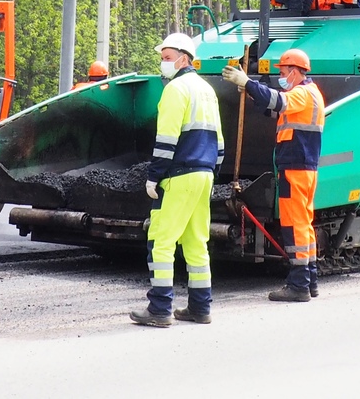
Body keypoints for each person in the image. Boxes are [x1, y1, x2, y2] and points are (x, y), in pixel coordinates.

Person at [130, 33, 224, 328]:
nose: (163, 63)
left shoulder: (175, 90)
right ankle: (200, 307)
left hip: (180, 174)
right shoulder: (207, 90)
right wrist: (211, 172)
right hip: (205, 174)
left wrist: (154, 176)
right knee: (196, 242)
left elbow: (166, 139)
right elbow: (219, 142)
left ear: (184, 58)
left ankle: (159, 309)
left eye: (167, 58)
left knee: (161, 241)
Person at [222, 47, 324, 302]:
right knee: (305, 223)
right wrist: (251, 91)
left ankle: (299, 284)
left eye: (284, 71)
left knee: (294, 224)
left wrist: (247, 82)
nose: (282, 75)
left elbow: (277, 101)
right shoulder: (308, 94)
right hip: (304, 168)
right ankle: (310, 280)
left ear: (296, 71)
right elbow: (270, 109)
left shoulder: (302, 94)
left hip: (296, 168)